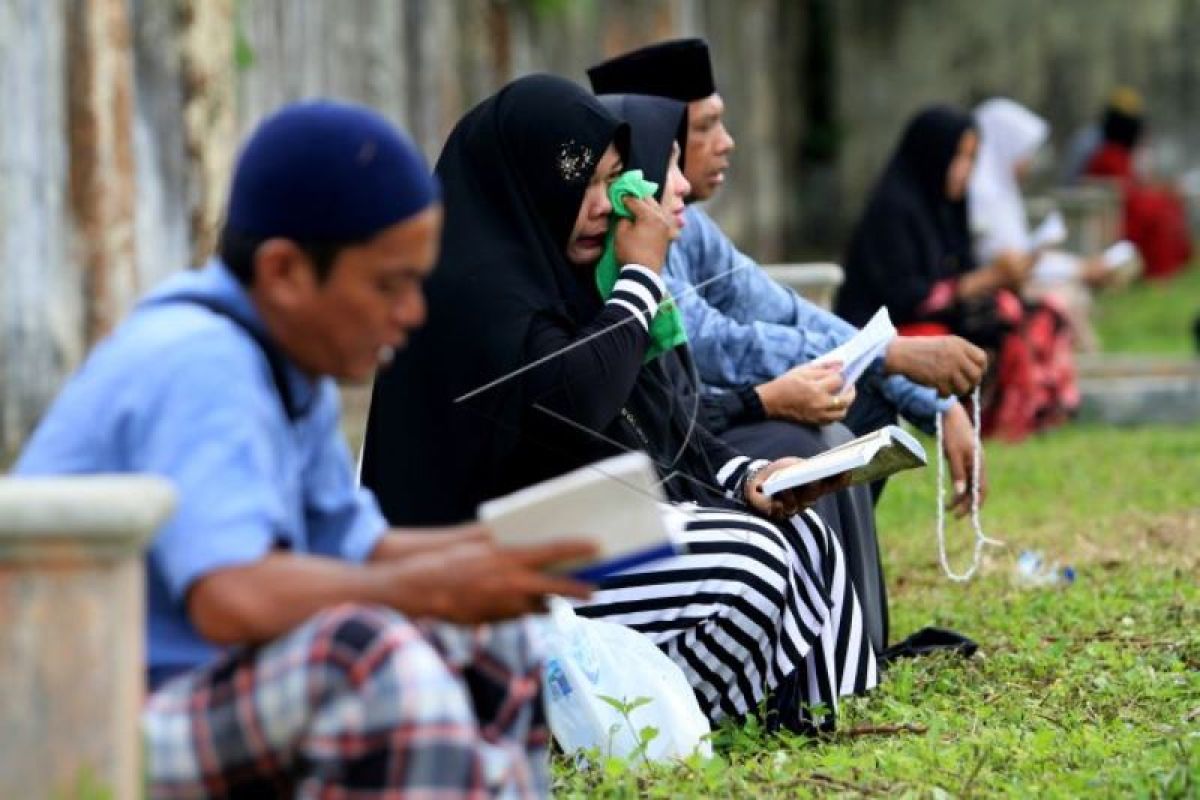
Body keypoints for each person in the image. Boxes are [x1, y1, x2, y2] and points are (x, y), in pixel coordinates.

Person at [14, 101, 599, 798]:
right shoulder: (201, 362)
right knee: (364, 661)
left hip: (200, 691)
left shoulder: (290, 367)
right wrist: (437, 587)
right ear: (286, 272)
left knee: (499, 634)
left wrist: (502, 554)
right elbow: (231, 597)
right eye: (391, 284)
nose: (414, 313)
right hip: (79, 729)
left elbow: (358, 548)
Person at [361, 75, 878, 734]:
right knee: (752, 560)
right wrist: (639, 280)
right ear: (532, 182)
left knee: (801, 530)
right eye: (590, 184)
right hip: (484, 575)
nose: (608, 206)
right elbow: (578, 400)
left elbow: (650, 411)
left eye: (615, 181)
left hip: (570, 532)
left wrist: (744, 478)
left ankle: (817, 719)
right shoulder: (469, 292)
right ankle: (670, 729)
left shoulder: (562, 277)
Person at [837, 105, 1079, 441]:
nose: (966, 170)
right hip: (886, 327)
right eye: (960, 158)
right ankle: (996, 423)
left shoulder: (947, 207)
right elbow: (904, 297)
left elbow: (961, 269)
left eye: (972, 159)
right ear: (933, 156)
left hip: (944, 313)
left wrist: (1005, 276)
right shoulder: (893, 211)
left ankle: (1030, 418)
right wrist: (985, 280)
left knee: (1040, 312)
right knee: (1001, 317)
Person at [970, 96, 1109, 352]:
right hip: (996, 289)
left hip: (1014, 277)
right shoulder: (983, 194)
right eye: (1025, 153)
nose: (1029, 163)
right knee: (1062, 299)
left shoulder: (1002, 189)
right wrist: (1076, 268)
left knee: (1071, 293)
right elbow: (1006, 261)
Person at [1084, 88, 1193, 279]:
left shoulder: (1120, 154)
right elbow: (1124, 192)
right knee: (1160, 211)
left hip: (1125, 210)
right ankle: (1159, 273)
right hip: (1116, 218)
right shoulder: (1110, 155)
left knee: (1167, 205)